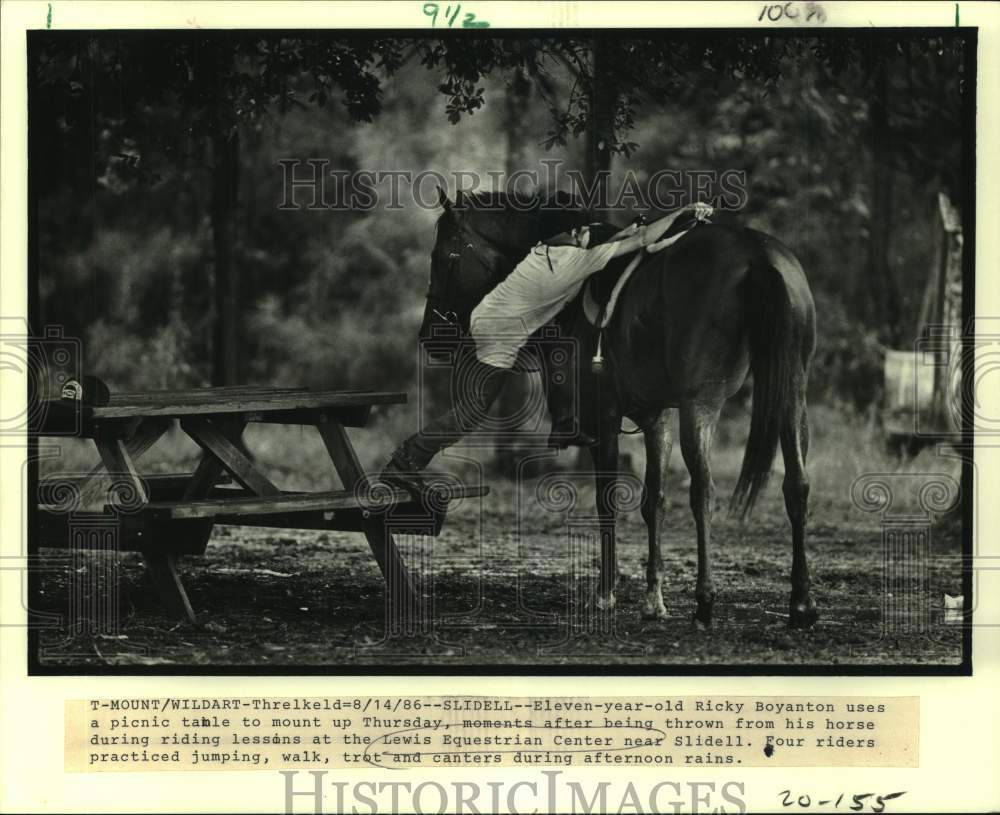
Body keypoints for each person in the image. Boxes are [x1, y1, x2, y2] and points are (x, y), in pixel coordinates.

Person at [381, 201, 714, 497]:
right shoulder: (578, 263)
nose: (586, 232)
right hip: (500, 334)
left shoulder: (546, 249)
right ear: (574, 239)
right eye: (583, 231)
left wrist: (629, 229)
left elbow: (612, 240)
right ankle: (404, 463)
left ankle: (566, 420)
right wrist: (682, 212)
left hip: (489, 318)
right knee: (470, 413)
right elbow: (639, 243)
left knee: (555, 344)